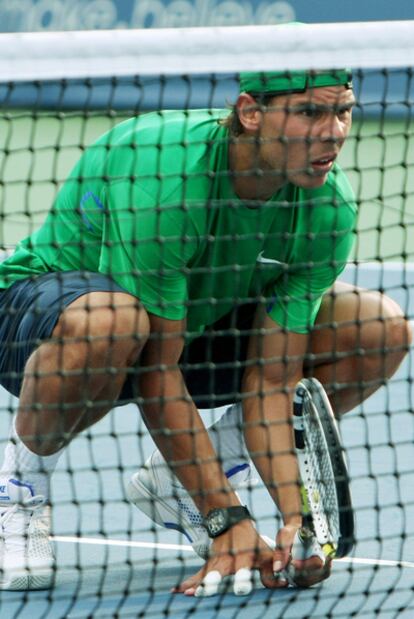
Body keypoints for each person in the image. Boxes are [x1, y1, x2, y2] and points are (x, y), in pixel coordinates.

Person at [0, 64, 410, 595]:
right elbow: (156, 370)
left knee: (379, 329)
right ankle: (21, 485)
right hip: (47, 324)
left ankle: (184, 480)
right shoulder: (165, 178)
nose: (333, 131)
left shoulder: (327, 209)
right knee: (114, 322)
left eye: (343, 111)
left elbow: (271, 381)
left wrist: (297, 518)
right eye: (310, 112)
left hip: (193, 324)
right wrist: (225, 517)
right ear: (251, 113)